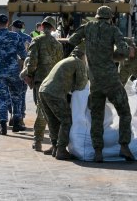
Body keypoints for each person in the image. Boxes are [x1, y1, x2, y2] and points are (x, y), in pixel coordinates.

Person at [68, 6, 135, 162]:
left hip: (95, 81)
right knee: (124, 112)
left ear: (97, 16)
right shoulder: (114, 30)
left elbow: (72, 40)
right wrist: (113, 57)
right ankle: (124, 146)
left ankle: (98, 151)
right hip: (111, 80)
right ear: (110, 17)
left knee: (96, 117)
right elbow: (125, 52)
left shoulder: (87, 27)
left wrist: (88, 43)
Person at [39, 44, 89, 160]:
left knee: (53, 120)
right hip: (55, 93)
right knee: (66, 120)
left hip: (43, 91)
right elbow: (81, 84)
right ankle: (61, 149)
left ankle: (54, 146)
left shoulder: (66, 60)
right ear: (83, 55)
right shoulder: (78, 62)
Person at [21, 16, 63, 151]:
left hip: (41, 81)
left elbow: (32, 61)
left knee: (41, 110)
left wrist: (28, 74)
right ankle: (54, 142)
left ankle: (38, 141)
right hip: (54, 81)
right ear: (52, 28)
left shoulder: (37, 40)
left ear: (42, 26)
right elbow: (59, 63)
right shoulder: (58, 44)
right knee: (50, 111)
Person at [0, 14, 27, 135]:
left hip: (0, 73)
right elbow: (24, 54)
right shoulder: (15, 36)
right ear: (8, 23)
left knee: (2, 98)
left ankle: (3, 126)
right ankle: (17, 123)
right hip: (14, 71)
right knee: (17, 97)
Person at [10, 19, 32, 129]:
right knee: (22, 95)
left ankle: (13, 116)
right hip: (24, 68)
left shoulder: (10, 37)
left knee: (11, 94)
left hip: (11, 69)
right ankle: (20, 118)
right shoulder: (28, 38)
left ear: (13, 27)